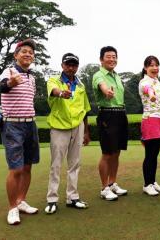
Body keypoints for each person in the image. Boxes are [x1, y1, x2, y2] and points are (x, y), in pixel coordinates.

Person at [0, 39, 40, 225]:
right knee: (16, 169)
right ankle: (12, 208)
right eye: (23, 51)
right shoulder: (9, 71)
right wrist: (10, 83)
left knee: (28, 166)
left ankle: (21, 201)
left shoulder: (32, 77)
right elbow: (2, 86)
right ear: (16, 55)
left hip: (30, 124)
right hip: (13, 125)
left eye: (31, 52)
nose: (27, 54)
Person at [44, 53, 91, 214]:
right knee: (56, 164)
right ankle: (52, 199)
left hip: (77, 127)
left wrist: (86, 132)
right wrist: (61, 93)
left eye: (74, 65)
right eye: (68, 65)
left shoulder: (81, 85)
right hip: (59, 127)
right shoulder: (54, 80)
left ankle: (73, 197)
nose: (71, 68)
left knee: (75, 163)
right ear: (63, 65)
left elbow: (85, 110)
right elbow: (53, 90)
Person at [92, 46, 128, 201]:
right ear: (101, 59)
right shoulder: (98, 75)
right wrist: (107, 92)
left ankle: (112, 183)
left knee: (117, 151)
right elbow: (103, 86)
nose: (112, 59)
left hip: (121, 113)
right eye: (108, 56)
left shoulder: (117, 76)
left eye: (114, 56)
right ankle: (104, 187)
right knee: (107, 153)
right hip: (107, 114)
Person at [138, 56, 160, 196]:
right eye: (151, 65)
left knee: (155, 154)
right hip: (150, 119)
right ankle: (147, 184)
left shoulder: (157, 81)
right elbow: (147, 89)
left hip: (159, 119)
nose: (155, 68)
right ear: (145, 68)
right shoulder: (144, 82)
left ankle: (153, 181)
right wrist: (151, 95)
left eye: (157, 65)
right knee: (149, 154)